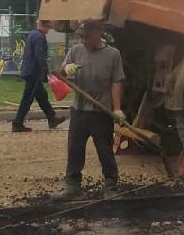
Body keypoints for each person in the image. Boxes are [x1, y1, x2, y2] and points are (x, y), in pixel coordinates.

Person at [53, 20, 127, 199]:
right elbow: (59, 74)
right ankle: (72, 187)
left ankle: (111, 186)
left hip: (101, 112)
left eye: (86, 36)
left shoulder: (113, 54)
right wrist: (65, 69)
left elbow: (116, 82)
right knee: (75, 149)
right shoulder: (76, 51)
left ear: (98, 33)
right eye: (81, 36)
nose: (83, 40)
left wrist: (117, 109)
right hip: (79, 110)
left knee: (105, 150)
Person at [11, 17, 63, 132]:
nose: (49, 29)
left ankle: (52, 118)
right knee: (27, 99)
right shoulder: (40, 37)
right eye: (49, 26)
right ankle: (17, 123)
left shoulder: (33, 34)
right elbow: (40, 56)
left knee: (42, 96)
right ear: (46, 25)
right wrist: (44, 72)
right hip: (34, 72)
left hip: (29, 70)